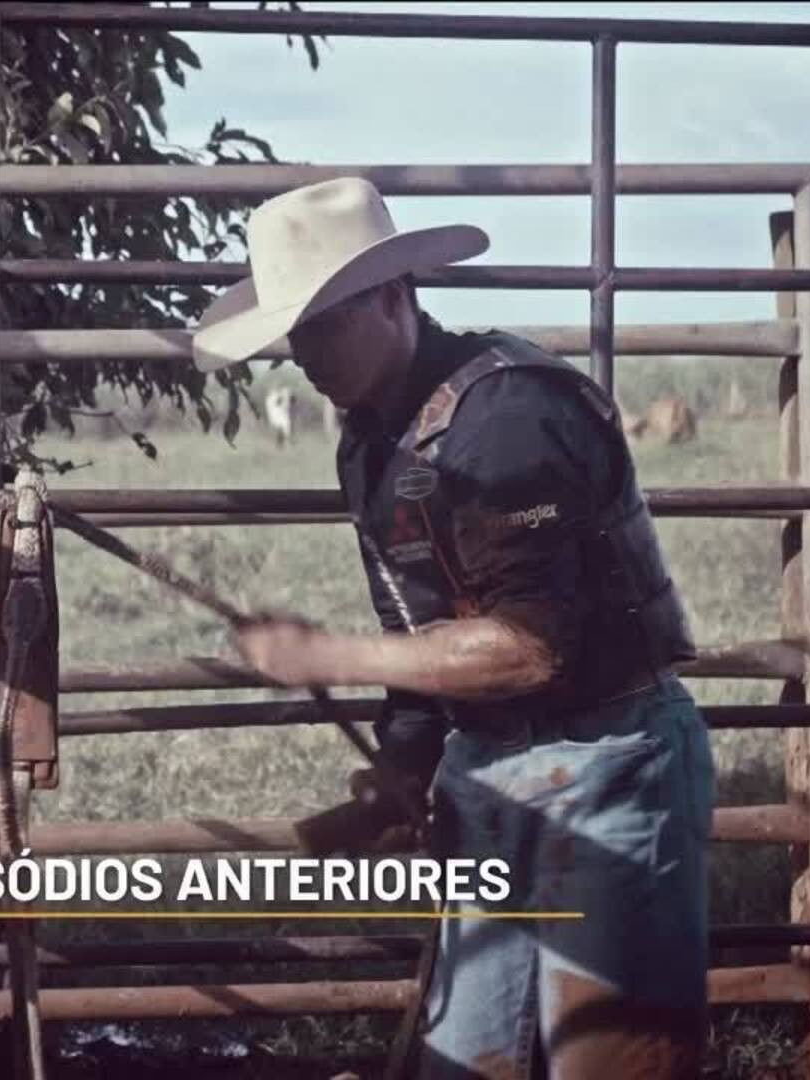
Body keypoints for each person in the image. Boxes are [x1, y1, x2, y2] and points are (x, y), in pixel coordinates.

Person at [194, 177, 715, 1080]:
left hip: (608, 764)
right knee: (466, 1059)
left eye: (323, 324)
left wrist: (326, 656)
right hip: (488, 769)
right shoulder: (372, 438)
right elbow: (415, 612)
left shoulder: (509, 418)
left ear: (394, 297)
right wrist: (408, 758)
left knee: (611, 1059)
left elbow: (531, 648)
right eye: (294, 333)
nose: (305, 355)